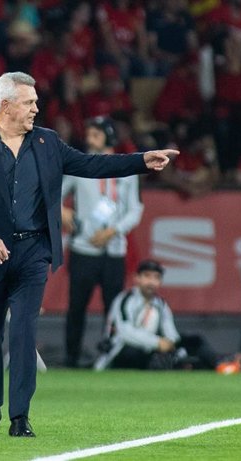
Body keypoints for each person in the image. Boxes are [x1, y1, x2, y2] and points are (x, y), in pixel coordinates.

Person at [0, 72, 176, 437]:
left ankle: (20, 417)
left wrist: (140, 161)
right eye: (29, 102)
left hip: (33, 251)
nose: (36, 108)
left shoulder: (46, 142)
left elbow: (90, 165)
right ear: (5, 106)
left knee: (23, 331)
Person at [60, 116, 145, 368]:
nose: (89, 138)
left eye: (96, 134)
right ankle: (71, 357)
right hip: (83, 248)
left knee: (114, 310)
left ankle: (111, 356)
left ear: (109, 138)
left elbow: (135, 209)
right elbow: (52, 194)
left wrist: (114, 230)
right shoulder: (78, 165)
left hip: (114, 249)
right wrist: (60, 211)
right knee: (76, 308)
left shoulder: (126, 170)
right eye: (89, 133)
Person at [94, 259, 218, 370]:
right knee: (136, 352)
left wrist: (171, 345)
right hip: (122, 350)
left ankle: (219, 365)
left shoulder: (161, 304)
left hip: (151, 348)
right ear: (137, 278)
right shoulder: (125, 300)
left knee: (195, 341)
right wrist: (157, 343)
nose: (151, 282)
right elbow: (125, 332)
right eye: (147, 276)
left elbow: (170, 332)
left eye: (156, 278)